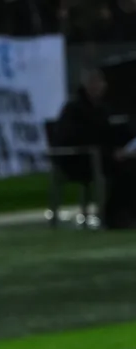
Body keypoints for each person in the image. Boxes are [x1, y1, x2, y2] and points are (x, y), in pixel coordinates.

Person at [54, 68, 136, 229]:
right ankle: (114, 216)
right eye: (94, 82)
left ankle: (126, 213)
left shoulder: (103, 108)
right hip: (79, 160)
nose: (98, 86)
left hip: (102, 156)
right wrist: (110, 153)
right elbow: (76, 138)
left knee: (130, 165)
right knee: (125, 169)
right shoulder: (74, 109)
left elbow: (110, 134)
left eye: (100, 82)